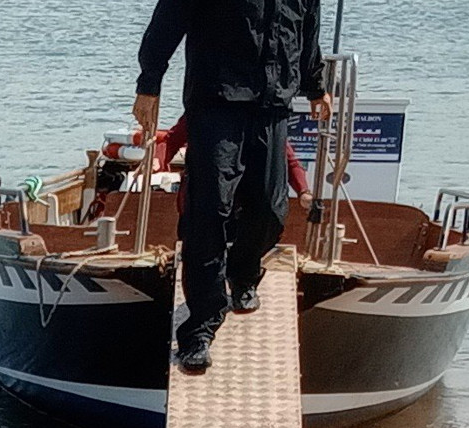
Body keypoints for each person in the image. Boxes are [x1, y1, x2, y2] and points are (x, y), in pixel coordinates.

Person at [133, 0, 332, 373]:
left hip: (273, 104)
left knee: (271, 210)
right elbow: (168, 20)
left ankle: (243, 272)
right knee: (209, 211)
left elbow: (308, 31)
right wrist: (149, 84)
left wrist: (316, 86)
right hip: (216, 99)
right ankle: (199, 330)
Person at [160, 114, 315, 213]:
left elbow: (289, 160)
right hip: (201, 201)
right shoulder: (203, 109)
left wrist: (303, 191)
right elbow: (171, 139)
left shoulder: (260, 117)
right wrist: (156, 161)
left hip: (242, 203)